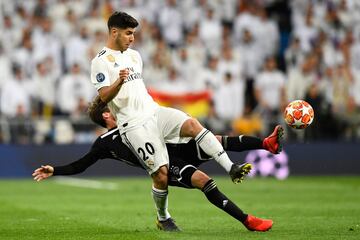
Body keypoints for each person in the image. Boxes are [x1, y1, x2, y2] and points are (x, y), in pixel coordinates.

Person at [90, 11, 250, 229]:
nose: (132, 38)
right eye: (128, 33)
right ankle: (163, 217)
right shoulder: (100, 61)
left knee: (193, 124)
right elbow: (103, 97)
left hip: (153, 111)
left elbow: (137, 89)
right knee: (161, 176)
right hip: (133, 125)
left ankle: (231, 167)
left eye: (134, 34)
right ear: (114, 32)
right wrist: (118, 81)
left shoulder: (135, 56)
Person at [33, 97, 284, 232]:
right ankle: (247, 220)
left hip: (176, 146)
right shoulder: (105, 142)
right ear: (107, 115)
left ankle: (267, 144)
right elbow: (81, 165)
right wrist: (55, 170)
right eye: (112, 105)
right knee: (203, 181)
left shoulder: (137, 118)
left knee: (215, 139)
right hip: (166, 163)